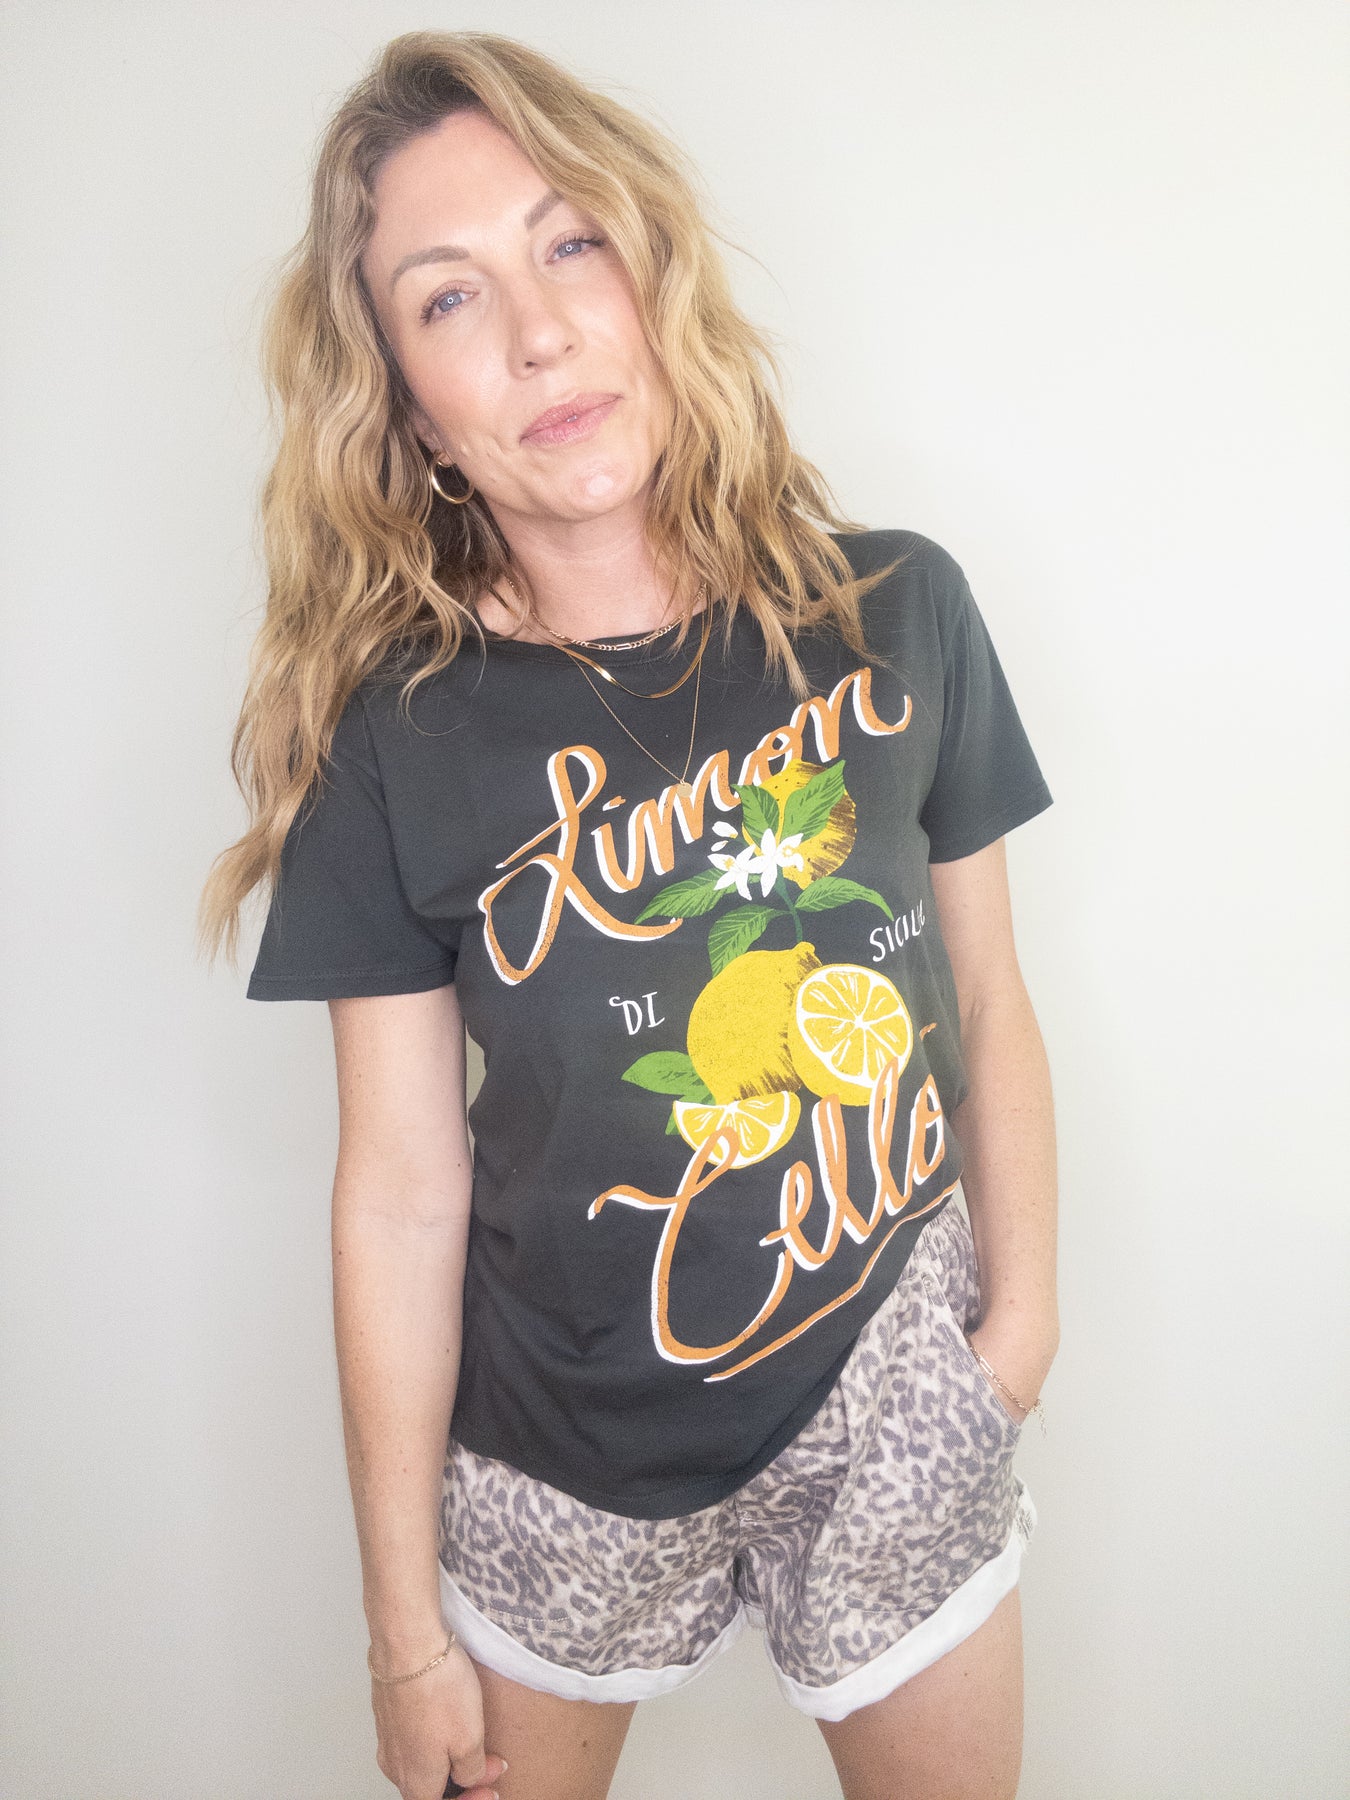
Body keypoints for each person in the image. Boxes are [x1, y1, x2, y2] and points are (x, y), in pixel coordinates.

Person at [198, 28, 1060, 1800]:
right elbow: (400, 1189)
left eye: (568, 242)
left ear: (650, 271)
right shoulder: (395, 738)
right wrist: (403, 1634)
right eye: (448, 298)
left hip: (899, 1384)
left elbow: (984, 987)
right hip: (559, 1446)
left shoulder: (896, 612)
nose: (534, 332)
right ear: (407, 404)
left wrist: (1015, 1338)